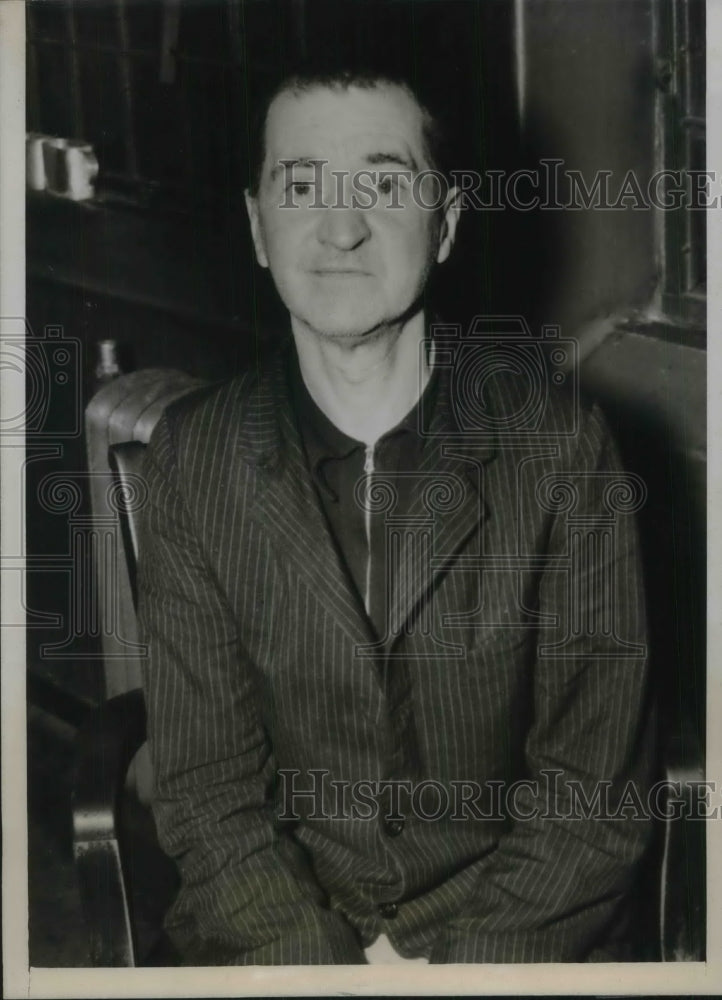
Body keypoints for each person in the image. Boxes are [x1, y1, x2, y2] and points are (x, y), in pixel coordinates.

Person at [138, 67, 654, 965]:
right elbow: (210, 795)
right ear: (259, 225)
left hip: (511, 939)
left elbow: (591, 795)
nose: (340, 228)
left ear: (445, 223)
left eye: (382, 183)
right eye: (300, 186)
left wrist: (465, 977)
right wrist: (316, 973)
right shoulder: (194, 459)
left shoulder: (562, 449)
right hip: (281, 940)